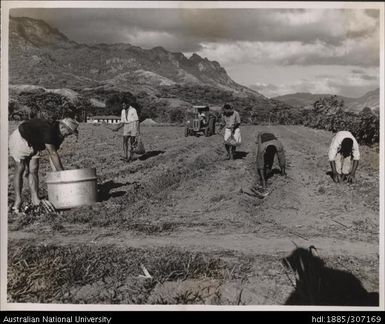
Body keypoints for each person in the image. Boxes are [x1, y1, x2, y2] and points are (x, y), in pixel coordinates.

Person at [9, 117, 79, 214]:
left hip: (35, 144)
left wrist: (58, 177)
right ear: (62, 127)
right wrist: (63, 175)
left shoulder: (59, 136)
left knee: (33, 169)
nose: (67, 135)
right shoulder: (48, 130)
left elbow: (52, 157)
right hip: (21, 138)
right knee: (20, 168)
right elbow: (53, 154)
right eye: (68, 133)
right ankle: (17, 201)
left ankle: (35, 199)